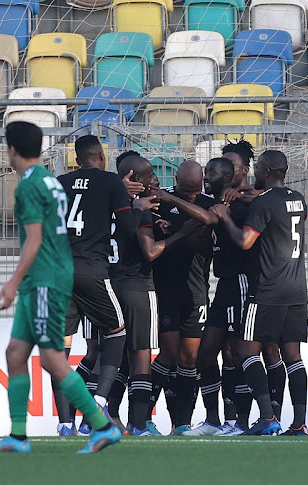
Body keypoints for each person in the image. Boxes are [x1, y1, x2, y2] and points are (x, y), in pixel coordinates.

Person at [0, 121, 121, 454]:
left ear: (11, 149)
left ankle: (101, 426)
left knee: (52, 359)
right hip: (46, 278)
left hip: (45, 280)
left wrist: (12, 282)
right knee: (15, 354)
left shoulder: (31, 185)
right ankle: (17, 436)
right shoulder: (48, 181)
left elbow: (34, 239)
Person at [54, 136, 151, 435]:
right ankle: (98, 403)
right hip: (93, 271)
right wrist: (136, 206)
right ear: (101, 155)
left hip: (59, 273)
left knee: (60, 351)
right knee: (117, 332)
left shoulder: (59, 182)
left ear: (77, 157)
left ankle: (65, 423)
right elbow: (127, 227)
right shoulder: (111, 183)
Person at [212, 150, 308, 436]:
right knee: (293, 356)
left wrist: (225, 216)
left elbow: (245, 241)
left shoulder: (264, 202)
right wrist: (244, 196)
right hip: (297, 289)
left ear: (266, 172)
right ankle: (300, 423)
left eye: (257, 169)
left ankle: (267, 417)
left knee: (246, 349)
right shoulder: (297, 198)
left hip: (267, 288)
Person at [112, 154, 199, 436]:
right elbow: (150, 252)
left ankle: (102, 416)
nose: (155, 181)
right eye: (149, 176)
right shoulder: (140, 207)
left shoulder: (105, 201)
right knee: (141, 356)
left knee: (108, 356)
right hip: (137, 286)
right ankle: (139, 423)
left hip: (106, 285)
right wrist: (179, 234)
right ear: (134, 178)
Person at [147, 160, 218, 435]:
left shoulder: (209, 204)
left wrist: (178, 228)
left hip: (197, 290)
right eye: (186, 192)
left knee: (189, 358)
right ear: (175, 178)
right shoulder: (159, 199)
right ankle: (142, 417)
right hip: (166, 289)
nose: (191, 196)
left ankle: (183, 424)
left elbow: (205, 235)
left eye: (194, 192)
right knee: (167, 355)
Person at [182, 157, 247, 436]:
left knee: (233, 354)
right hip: (221, 286)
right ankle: (212, 419)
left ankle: (237, 421)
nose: (205, 176)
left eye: (210, 172)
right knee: (206, 353)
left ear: (227, 175)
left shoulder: (242, 203)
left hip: (240, 283)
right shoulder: (211, 202)